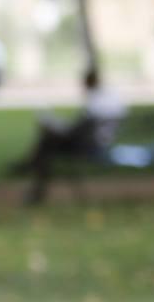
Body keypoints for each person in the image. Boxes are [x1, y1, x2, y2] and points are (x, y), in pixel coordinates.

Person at [10, 68, 127, 203]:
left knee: (47, 143)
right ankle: (32, 170)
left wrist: (58, 128)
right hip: (92, 142)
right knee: (48, 143)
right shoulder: (108, 98)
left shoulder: (97, 102)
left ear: (89, 83)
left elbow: (79, 130)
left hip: (90, 146)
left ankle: (33, 176)